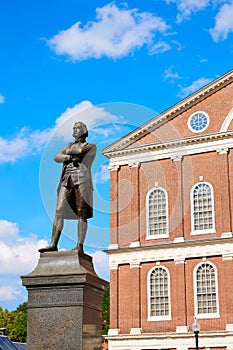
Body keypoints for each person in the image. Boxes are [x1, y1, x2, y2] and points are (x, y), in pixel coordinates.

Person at [39, 121, 96, 253]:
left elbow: (81, 151)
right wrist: (70, 156)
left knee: (82, 213)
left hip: (82, 180)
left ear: (85, 131)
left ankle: (79, 246)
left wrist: (67, 152)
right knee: (59, 210)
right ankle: (53, 244)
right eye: (74, 128)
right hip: (66, 180)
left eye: (78, 128)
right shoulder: (69, 146)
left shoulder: (91, 146)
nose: (75, 130)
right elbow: (56, 157)